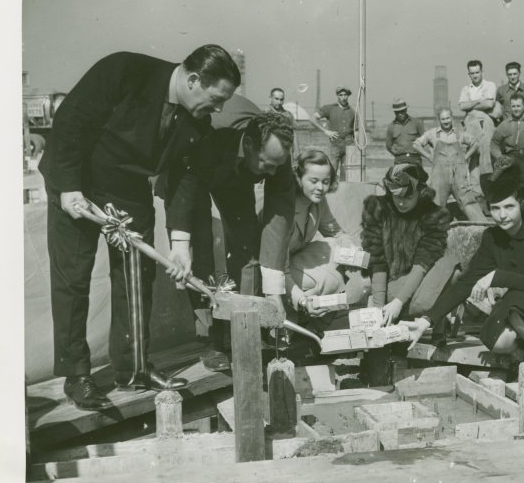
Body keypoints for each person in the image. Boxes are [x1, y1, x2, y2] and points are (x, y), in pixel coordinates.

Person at [38, 45, 239, 409]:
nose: (220, 109)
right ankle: (76, 375)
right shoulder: (124, 70)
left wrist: (181, 243)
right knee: (73, 276)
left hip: (127, 188)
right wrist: (69, 187)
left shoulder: (198, 122)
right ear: (193, 80)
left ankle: (134, 368)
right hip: (76, 177)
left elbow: (186, 178)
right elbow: (71, 121)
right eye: (215, 98)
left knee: (136, 276)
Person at [402, 167, 524, 388]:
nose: (502, 215)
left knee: (518, 298)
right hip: (518, 312)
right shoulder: (492, 238)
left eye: (509, 206)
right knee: (500, 341)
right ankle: (520, 353)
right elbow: (466, 284)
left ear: (522, 204)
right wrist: (426, 320)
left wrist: (498, 276)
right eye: (495, 208)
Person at [187, 107, 297, 371]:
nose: (270, 174)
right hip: (193, 171)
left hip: (234, 176)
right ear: (248, 144)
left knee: (247, 247)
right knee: (201, 249)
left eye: (277, 167)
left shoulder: (276, 152)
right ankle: (210, 337)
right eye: (266, 165)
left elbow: (278, 220)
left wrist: (273, 293)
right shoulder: (210, 131)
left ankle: (245, 328)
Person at [360, 164, 456, 383]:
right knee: (378, 305)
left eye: (407, 197)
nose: (401, 202)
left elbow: (422, 264)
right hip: (392, 277)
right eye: (396, 197)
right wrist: (378, 306)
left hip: (420, 275)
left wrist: (398, 302)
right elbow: (377, 259)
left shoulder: (433, 215)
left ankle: (435, 324)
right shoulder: (378, 210)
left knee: (440, 282)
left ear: (420, 192)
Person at [286, 149, 361, 318]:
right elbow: (275, 269)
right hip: (274, 269)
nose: (320, 187)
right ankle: (305, 306)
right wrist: (301, 300)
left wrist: (351, 249)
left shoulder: (317, 201)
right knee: (324, 278)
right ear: (299, 179)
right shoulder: (285, 208)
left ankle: (317, 307)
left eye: (325, 181)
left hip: (295, 259)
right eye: (313, 181)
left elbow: (335, 232)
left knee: (335, 247)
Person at [413, 108, 486, 221]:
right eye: (443, 119)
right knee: (435, 206)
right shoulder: (432, 134)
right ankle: (429, 233)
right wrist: (428, 156)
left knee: (468, 202)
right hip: (439, 179)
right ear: (439, 120)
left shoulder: (459, 134)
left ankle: (483, 228)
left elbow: (475, 143)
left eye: (448, 118)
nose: (446, 121)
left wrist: (465, 157)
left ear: (451, 118)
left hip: (459, 177)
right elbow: (416, 144)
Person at [458, 59, 501, 199]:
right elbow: (462, 106)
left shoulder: (490, 85)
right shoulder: (466, 89)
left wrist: (471, 104)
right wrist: (479, 102)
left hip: (486, 124)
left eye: (477, 72)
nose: (475, 75)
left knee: (486, 158)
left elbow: (489, 104)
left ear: (482, 71)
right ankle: (477, 193)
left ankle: (489, 193)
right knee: (473, 158)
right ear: (468, 74)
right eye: (472, 73)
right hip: (470, 125)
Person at [310, 86, 357, 181]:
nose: (343, 97)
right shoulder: (330, 108)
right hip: (334, 145)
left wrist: (355, 144)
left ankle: (343, 194)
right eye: (341, 95)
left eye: (345, 95)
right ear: (337, 96)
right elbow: (312, 119)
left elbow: (357, 130)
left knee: (346, 174)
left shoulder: (352, 112)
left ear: (348, 96)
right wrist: (326, 131)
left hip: (348, 145)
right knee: (331, 171)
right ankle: (330, 194)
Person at [385, 99, 425, 167]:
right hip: (400, 161)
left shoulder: (416, 123)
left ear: (406, 110)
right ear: (394, 112)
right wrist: (398, 153)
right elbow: (388, 145)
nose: (400, 114)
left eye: (402, 111)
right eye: (397, 112)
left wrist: (419, 151)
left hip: (415, 160)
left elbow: (425, 139)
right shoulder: (391, 127)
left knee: (419, 177)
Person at [268, 87, 299, 159]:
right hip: (271, 152)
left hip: (286, 152)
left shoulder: (288, 115)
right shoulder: (265, 114)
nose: (279, 102)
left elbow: (294, 134)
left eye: (281, 100)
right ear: (270, 98)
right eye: (276, 99)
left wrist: (297, 152)